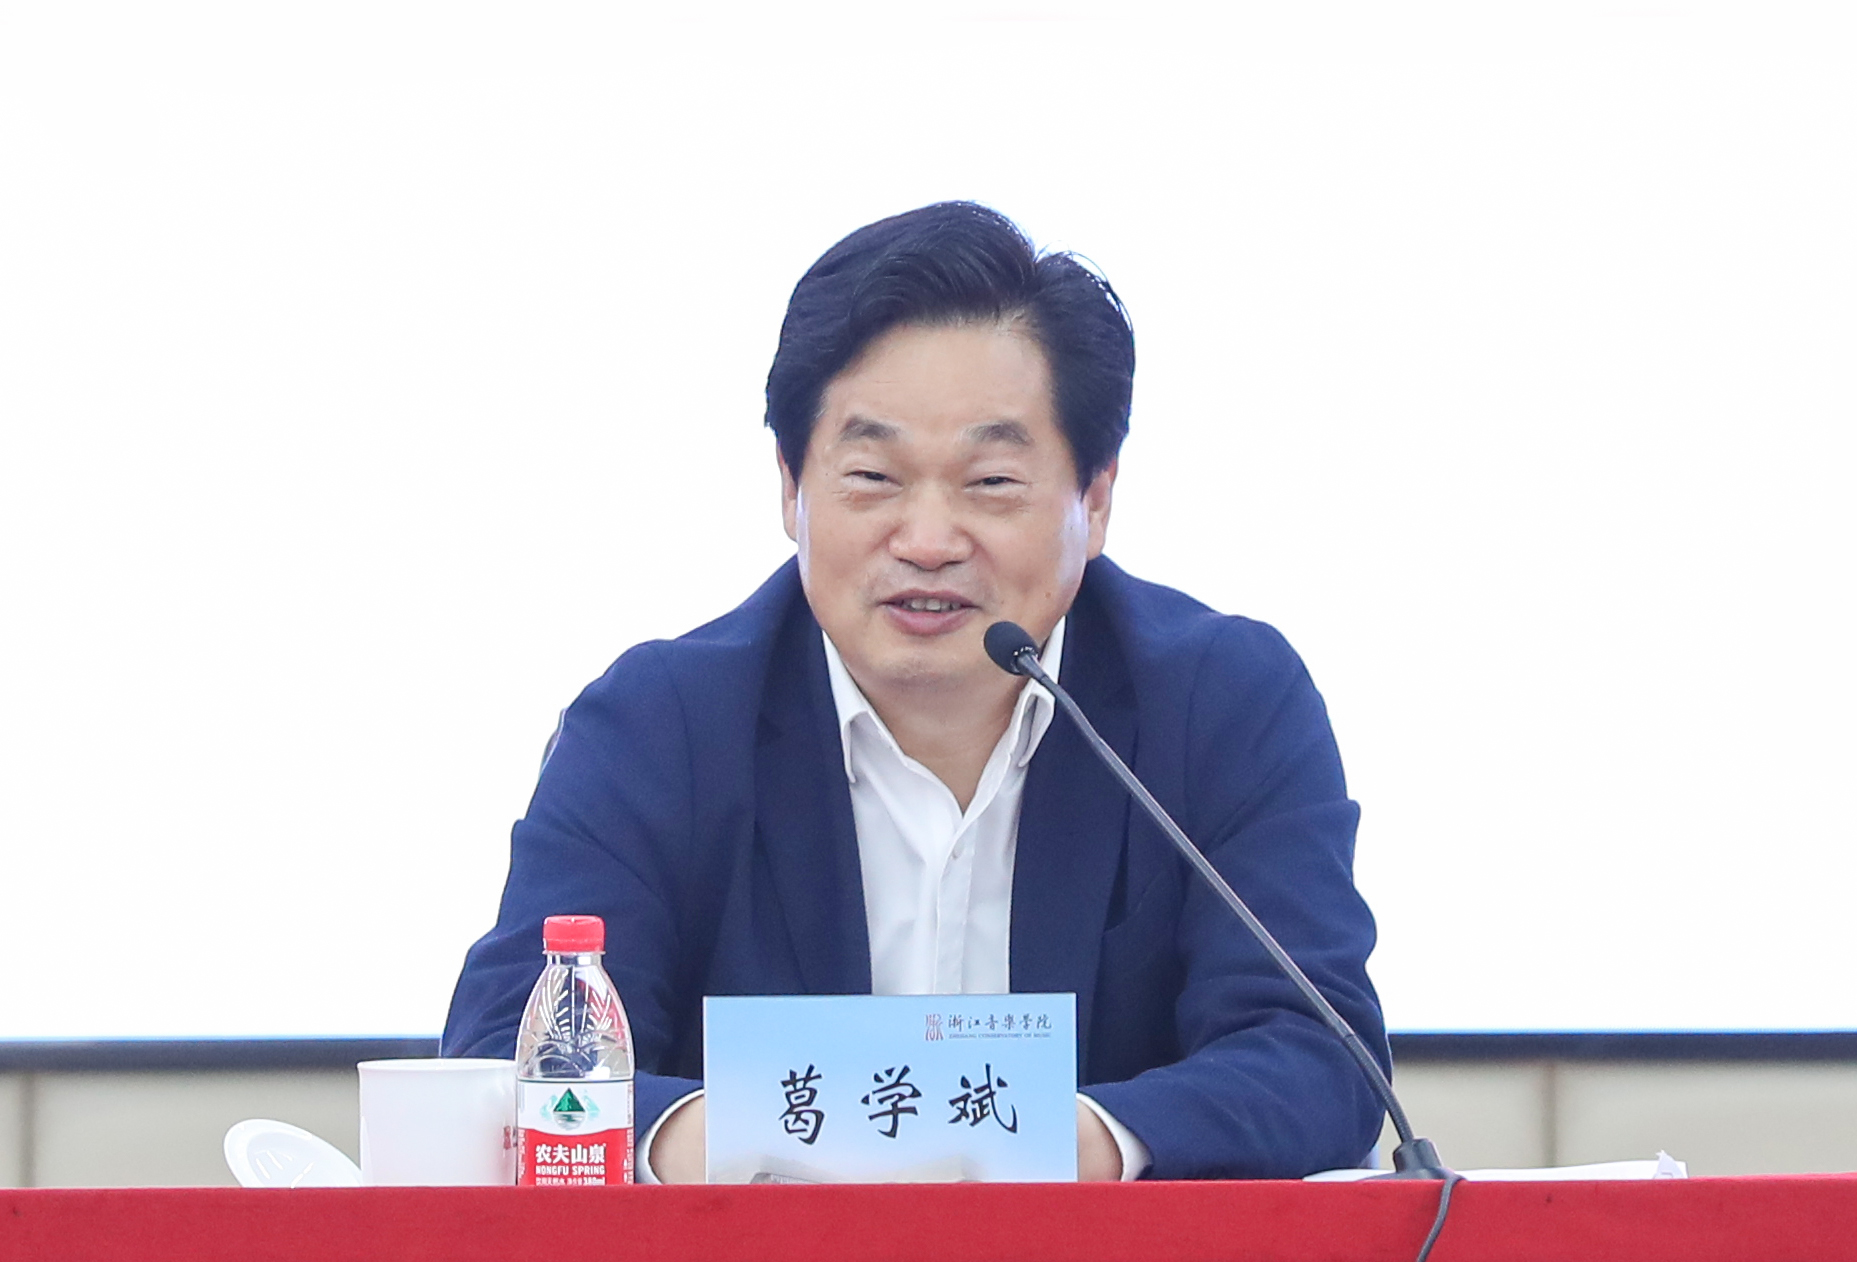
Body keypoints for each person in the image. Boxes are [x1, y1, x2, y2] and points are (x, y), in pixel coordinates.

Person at [442, 202, 1388, 1182]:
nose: (928, 541)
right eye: (873, 475)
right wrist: (737, 1141)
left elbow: (1318, 1055)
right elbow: (504, 1057)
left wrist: (1065, 1146)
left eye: (990, 481)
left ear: (1095, 497)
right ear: (790, 487)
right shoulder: (656, 728)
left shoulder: (1222, 705)